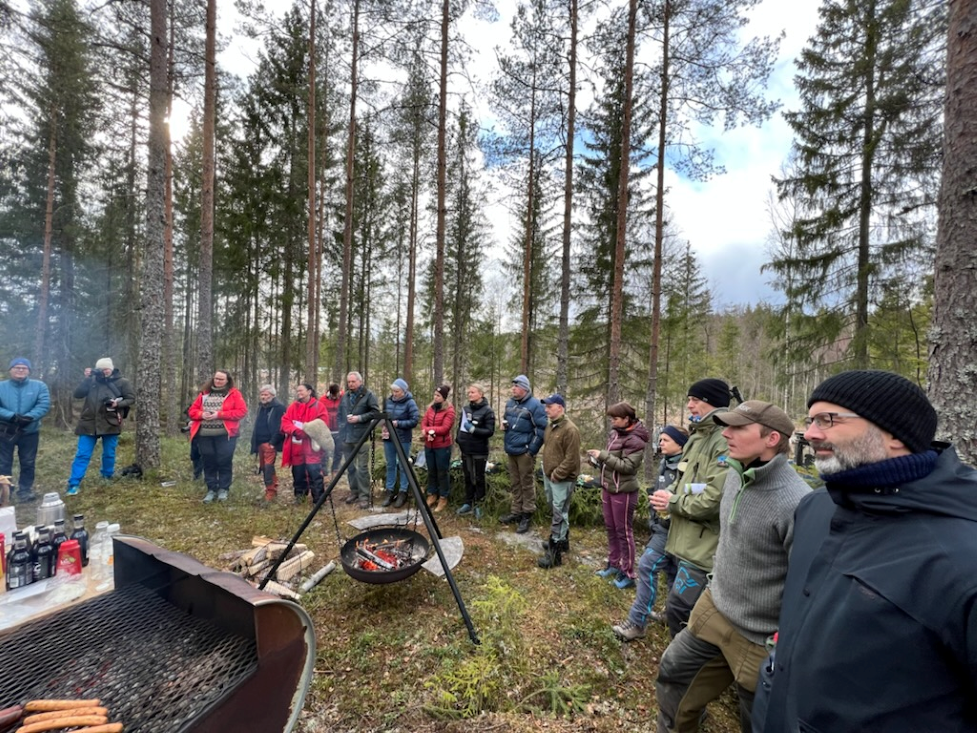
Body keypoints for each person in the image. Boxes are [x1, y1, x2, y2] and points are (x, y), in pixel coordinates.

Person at [753, 371, 977, 733]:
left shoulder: (964, 557)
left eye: (828, 419)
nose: (809, 433)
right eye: (811, 420)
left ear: (894, 434)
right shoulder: (815, 510)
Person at [655, 401, 809, 733]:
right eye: (727, 426)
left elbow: (806, 584)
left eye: (738, 428)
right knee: (674, 676)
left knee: (760, 720)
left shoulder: (796, 502)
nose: (726, 433)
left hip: (760, 636)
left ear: (771, 439)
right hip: (714, 608)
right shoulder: (733, 474)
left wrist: (780, 643)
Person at [650, 378, 731, 637]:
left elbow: (714, 498)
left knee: (682, 609)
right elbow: (688, 482)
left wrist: (673, 502)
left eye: (695, 400)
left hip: (704, 545)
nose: (689, 406)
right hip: (685, 538)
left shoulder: (724, 439)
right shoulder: (698, 436)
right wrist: (670, 494)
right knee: (679, 606)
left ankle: (685, 668)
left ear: (711, 403)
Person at [612, 424, 687, 641]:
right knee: (648, 567)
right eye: (660, 439)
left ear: (680, 445)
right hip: (662, 530)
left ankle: (668, 615)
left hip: (681, 532)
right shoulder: (665, 463)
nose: (660, 443)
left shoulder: (688, 468)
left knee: (673, 572)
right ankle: (638, 622)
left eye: (666, 440)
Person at [587, 401, 651, 588]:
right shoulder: (616, 434)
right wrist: (597, 462)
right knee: (610, 528)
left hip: (624, 491)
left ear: (626, 419)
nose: (613, 422)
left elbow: (628, 467)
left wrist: (603, 456)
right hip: (609, 488)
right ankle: (614, 564)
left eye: (615, 419)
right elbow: (612, 462)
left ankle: (628, 573)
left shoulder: (636, 440)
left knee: (624, 532)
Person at [66, 358, 136, 496]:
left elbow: (131, 398)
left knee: (109, 453)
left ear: (111, 368)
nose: (104, 372)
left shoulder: (122, 382)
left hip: (111, 422)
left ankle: (107, 476)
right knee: (83, 454)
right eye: (101, 369)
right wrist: (87, 379)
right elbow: (78, 394)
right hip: (89, 423)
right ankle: (74, 483)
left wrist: (117, 404)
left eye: (106, 369)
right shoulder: (92, 381)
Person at [187, 369, 247, 503]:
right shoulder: (204, 394)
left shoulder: (234, 394)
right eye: (216, 378)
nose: (218, 381)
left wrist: (219, 414)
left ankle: (223, 489)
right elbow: (192, 411)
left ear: (227, 381)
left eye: (221, 379)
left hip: (226, 435)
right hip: (204, 435)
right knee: (208, 461)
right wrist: (202, 415)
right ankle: (211, 489)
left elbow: (241, 412)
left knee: (224, 461)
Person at [537, 395, 581, 569]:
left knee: (559, 513)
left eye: (550, 406)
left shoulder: (570, 430)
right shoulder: (550, 426)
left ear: (560, 408)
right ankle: (563, 541)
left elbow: (572, 459)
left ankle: (555, 555)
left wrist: (557, 474)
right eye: (545, 407)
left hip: (562, 479)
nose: (546, 410)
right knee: (557, 510)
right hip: (550, 476)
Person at [499, 374, 547, 534]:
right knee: (514, 482)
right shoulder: (510, 403)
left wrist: (531, 450)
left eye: (516, 386)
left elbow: (541, 430)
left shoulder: (535, 405)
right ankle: (516, 511)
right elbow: (507, 419)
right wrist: (503, 425)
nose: (513, 388)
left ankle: (527, 514)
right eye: (512, 386)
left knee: (526, 483)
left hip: (524, 451)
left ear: (524, 388)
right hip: (511, 449)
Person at [0, 358, 51, 502]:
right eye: (17, 367)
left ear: (28, 370)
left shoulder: (39, 386)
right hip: (4, 431)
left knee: (28, 461)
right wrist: (11, 416)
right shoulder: (1, 386)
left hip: (29, 431)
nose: (20, 370)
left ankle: (25, 490)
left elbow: (44, 404)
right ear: (10, 370)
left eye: (24, 368)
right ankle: (4, 490)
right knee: (3, 462)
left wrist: (29, 417)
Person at [280, 383, 330, 504]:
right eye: (297, 391)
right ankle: (300, 497)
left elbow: (323, 424)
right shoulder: (293, 406)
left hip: (312, 447)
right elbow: (285, 422)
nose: (299, 393)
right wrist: (295, 431)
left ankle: (318, 500)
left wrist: (306, 431)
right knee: (298, 473)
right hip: (296, 447)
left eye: (301, 390)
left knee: (315, 473)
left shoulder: (319, 406)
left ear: (309, 391)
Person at [337, 371, 381, 508]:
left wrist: (360, 418)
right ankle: (354, 491)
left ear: (360, 382)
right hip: (346, 437)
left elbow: (375, 412)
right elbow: (340, 414)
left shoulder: (368, 395)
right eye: (349, 382)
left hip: (362, 436)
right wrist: (342, 426)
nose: (350, 384)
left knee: (362, 468)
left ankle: (364, 496)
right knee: (350, 467)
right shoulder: (345, 396)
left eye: (353, 381)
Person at [456, 383, 496, 518]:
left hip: (479, 449)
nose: (470, 394)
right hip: (466, 448)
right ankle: (468, 502)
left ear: (481, 394)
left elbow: (490, 431)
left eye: (473, 392)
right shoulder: (466, 409)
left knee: (479, 477)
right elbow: (460, 426)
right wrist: (459, 439)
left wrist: (474, 430)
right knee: (468, 476)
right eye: (469, 393)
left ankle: (480, 504)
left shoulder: (487, 411)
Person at [381, 378, 420, 508]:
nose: (394, 394)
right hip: (389, 438)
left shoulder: (410, 403)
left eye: (397, 391)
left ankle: (403, 492)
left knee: (403, 466)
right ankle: (390, 491)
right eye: (393, 391)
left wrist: (399, 424)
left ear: (404, 391)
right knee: (390, 465)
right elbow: (384, 416)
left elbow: (414, 420)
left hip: (403, 438)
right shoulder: (388, 401)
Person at [421, 385, 456, 512]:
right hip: (429, 444)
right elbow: (424, 421)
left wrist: (430, 430)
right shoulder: (430, 408)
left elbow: (445, 428)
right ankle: (432, 494)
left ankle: (443, 497)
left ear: (444, 398)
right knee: (431, 470)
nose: (435, 397)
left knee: (442, 471)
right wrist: (426, 430)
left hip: (442, 445)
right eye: (435, 395)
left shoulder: (449, 410)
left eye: (438, 396)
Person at [250, 385, 286, 502]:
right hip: (259, 442)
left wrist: (273, 442)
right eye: (262, 395)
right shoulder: (261, 407)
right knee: (264, 468)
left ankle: (271, 492)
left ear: (273, 395)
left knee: (268, 467)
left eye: (266, 395)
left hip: (270, 443)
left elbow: (280, 427)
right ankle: (270, 488)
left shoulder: (279, 408)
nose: (264, 397)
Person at [323, 383, 343, 477]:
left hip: (339, 430)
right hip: (327, 430)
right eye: (333, 395)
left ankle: (335, 470)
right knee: (325, 452)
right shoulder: (323, 400)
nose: (335, 397)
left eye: (337, 395)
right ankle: (324, 472)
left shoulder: (344, 399)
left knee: (338, 451)